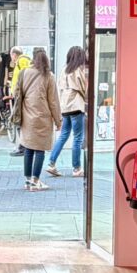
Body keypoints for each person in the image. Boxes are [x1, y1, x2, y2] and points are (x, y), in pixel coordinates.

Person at [16, 48, 61, 192]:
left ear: (33, 58)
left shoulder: (24, 73)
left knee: (28, 147)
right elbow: (53, 101)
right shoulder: (49, 75)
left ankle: (28, 181)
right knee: (40, 149)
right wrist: (58, 120)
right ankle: (36, 181)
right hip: (43, 118)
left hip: (27, 115)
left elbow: (18, 93)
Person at [46, 46, 88, 178]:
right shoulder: (78, 70)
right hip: (76, 106)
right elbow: (83, 88)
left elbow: (59, 87)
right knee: (78, 138)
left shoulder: (64, 69)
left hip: (65, 106)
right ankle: (76, 168)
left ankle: (51, 163)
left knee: (63, 135)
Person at [8, 46, 31, 157]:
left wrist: (18, 92)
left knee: (19, 121)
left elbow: (25, 78)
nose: (11, 58)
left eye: (11, 55)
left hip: (20, 97)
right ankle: (23, 146)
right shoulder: (20, 62)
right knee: (19, 121)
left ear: (14, 54)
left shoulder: (22, 61)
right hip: (19, 96)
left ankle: (23, 147)